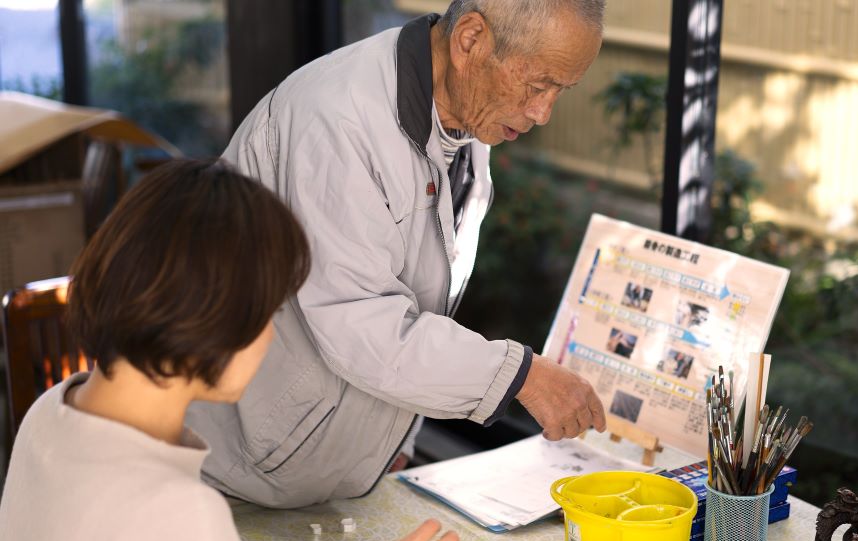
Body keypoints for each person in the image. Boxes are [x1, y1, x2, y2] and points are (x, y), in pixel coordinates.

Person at [0, 160, 460, 541]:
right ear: (211, 322)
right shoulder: (181, 520)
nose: (269, 336)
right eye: (269, 314)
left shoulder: (50, 412)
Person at [187, 0, 609, 509]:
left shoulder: (464, 119)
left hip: (326, 473)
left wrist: (396, 441)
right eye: (537, 84)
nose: (543, 112)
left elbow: (418, 292)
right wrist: (521, 376)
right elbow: (360, 322)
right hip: (229, 472)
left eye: (561, 91)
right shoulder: (338, 119)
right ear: (470, 39)